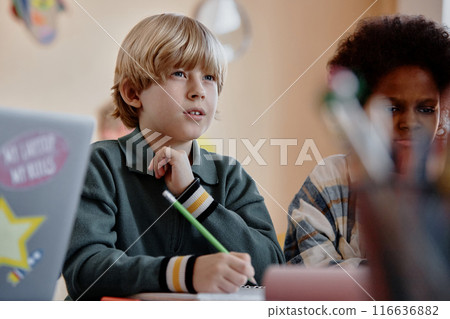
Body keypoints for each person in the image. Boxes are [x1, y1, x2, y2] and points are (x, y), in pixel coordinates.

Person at [63, 13, 284, 300]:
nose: (198, 91)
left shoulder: (231, 175)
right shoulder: (100, 164)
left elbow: (272, 271)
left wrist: (195, 197)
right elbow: (85, 270)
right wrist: (185, 273)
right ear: (133, 92)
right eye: (179, 73)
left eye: (209, 77)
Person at [284, 15, 450, 268]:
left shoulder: (443, 187)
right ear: (362, 109)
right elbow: (308, 273)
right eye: (393, 108)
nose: (410, 122)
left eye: (427, 109)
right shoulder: (329, 181)